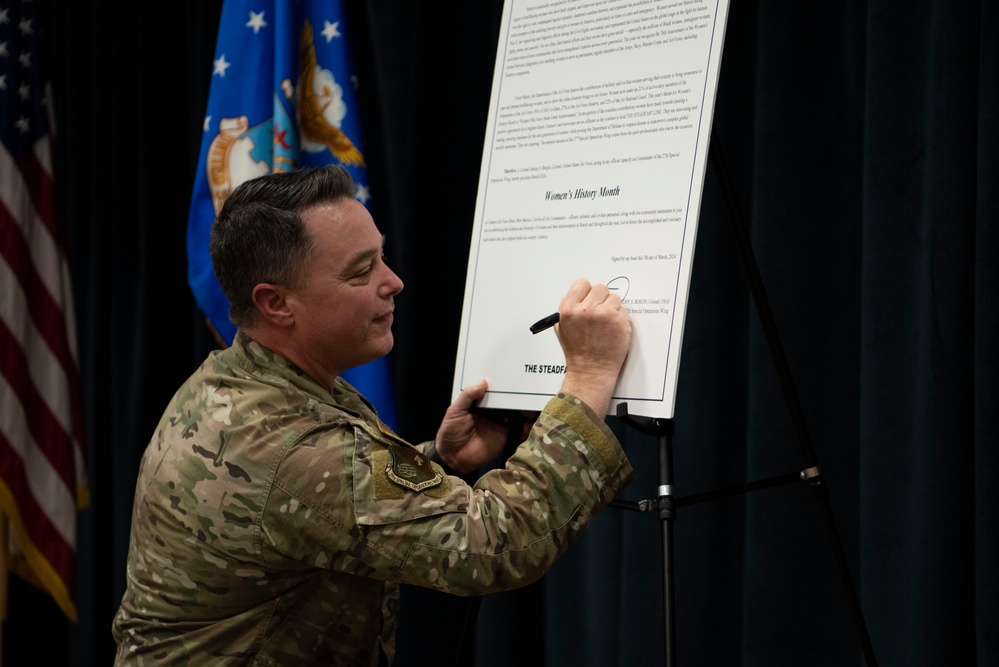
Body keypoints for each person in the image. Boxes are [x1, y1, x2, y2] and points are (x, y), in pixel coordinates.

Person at [111, 164, 634, 666]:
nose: (395, 281)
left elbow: (322, 506)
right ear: (276, 304)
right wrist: (587, 378)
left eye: (381, 257)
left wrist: (440, 460)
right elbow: (496, 544)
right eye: (362, 271)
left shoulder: (237, 379)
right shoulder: (290, 447)